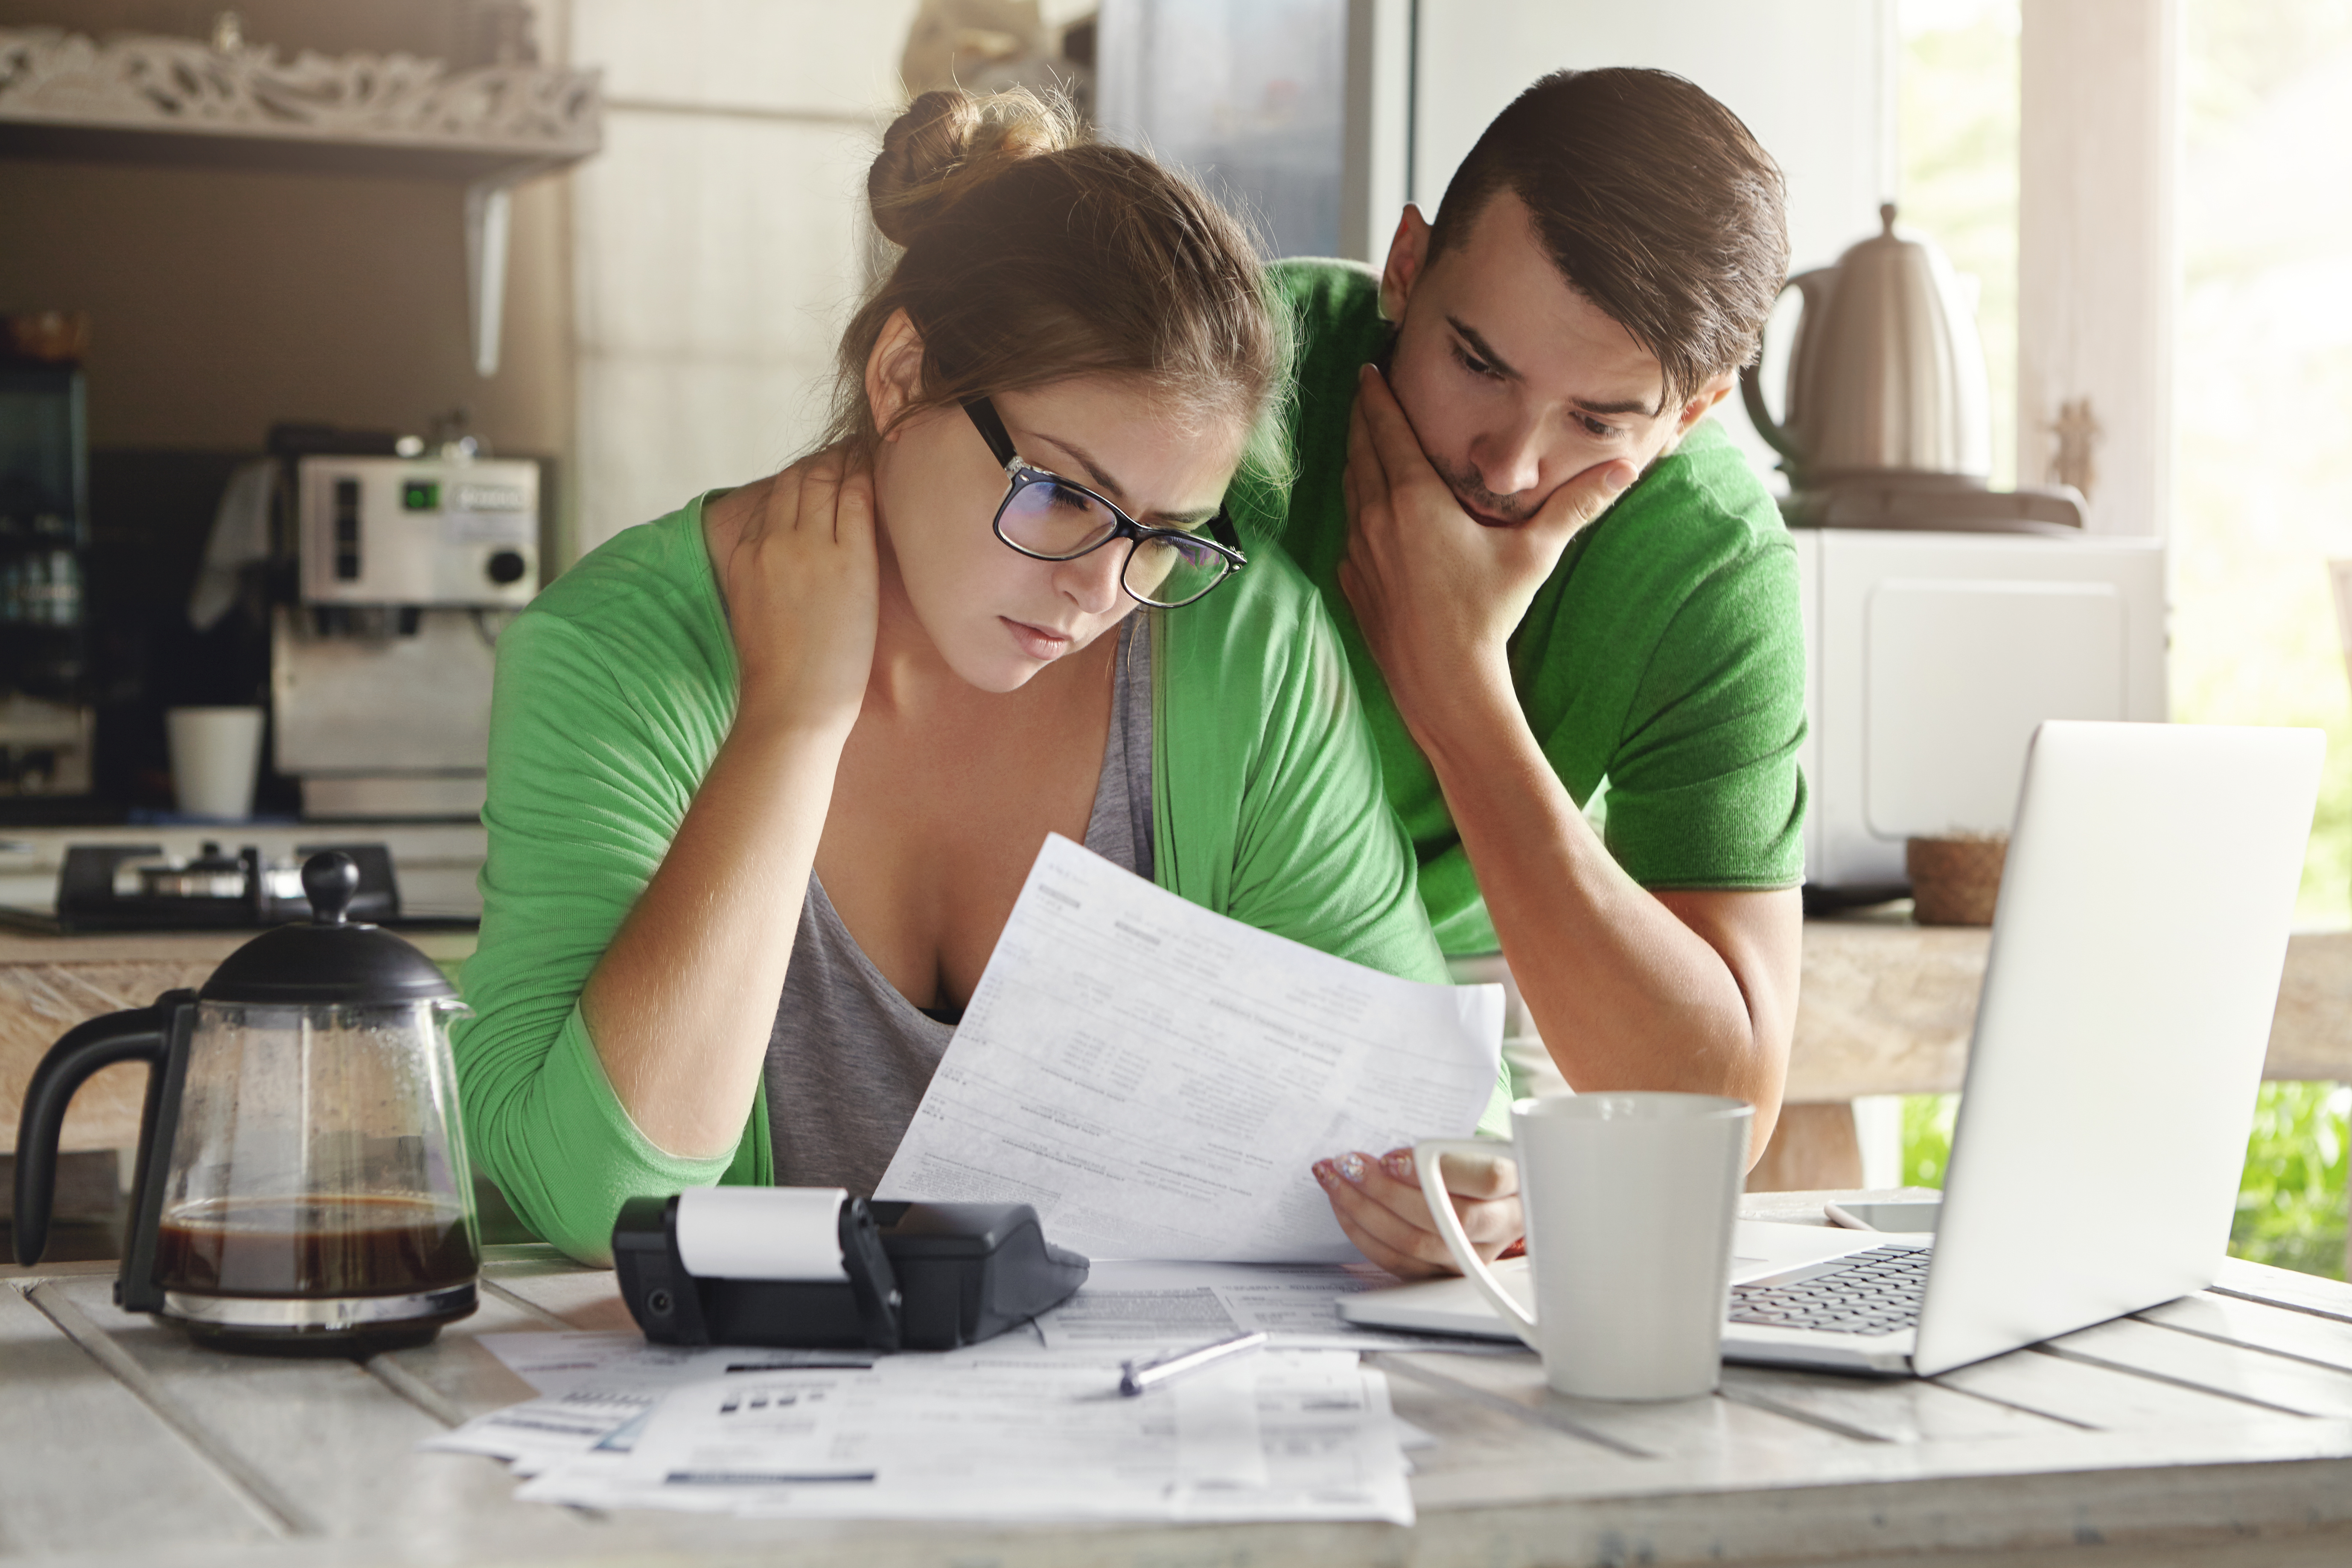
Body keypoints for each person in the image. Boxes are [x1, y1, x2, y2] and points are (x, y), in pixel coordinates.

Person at [452, 88, 1508, 1267]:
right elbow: (597, 1196)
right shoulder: (619, 651)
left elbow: (1427, 1109)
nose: (1100, 590)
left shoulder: (1239, 645)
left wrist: (1466, 1192)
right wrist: (793, 723)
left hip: (1133, 1415)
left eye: (1164, 533)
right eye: (1061, 492)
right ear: (903, 376)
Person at [1250, 69, 1809, 1275]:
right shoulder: (1238, 384)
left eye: (1598, 422)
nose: (1509, 465)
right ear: (1405, 269)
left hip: (1464, 988)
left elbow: (1717, 1112)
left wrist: (1457, 687)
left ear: (1694, 414)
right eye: (1477, 364)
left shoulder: (1704, 557)